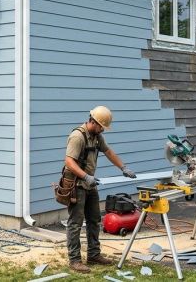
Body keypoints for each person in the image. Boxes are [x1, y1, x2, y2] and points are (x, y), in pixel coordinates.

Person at [63, 106, 137, 274]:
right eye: (102, 126)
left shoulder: (97, 136)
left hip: (89, 184)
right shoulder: (77, 136)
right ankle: (75, 260)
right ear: (93, 122)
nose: (103, 129)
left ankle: (94, 255)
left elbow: (108, 152)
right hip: (76, 184)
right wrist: (85, 176)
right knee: (75, 223)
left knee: (94, 220)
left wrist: (123, 167)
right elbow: (69, 162)